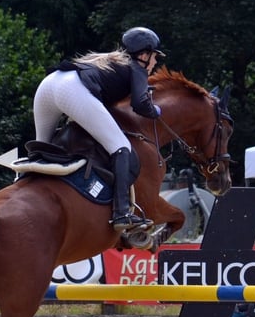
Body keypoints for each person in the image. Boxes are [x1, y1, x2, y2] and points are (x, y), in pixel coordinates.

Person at [32, 26, 165, 231]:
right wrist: (155, 110)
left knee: (40, 150)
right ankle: (121, 213)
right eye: (155, 57)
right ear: (144, 54)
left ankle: (23, 184)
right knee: (121, 147)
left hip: (49, 84)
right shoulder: (137, 67)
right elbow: (139, 104)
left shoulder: (110, 61)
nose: (155, 63)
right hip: (72, 90)